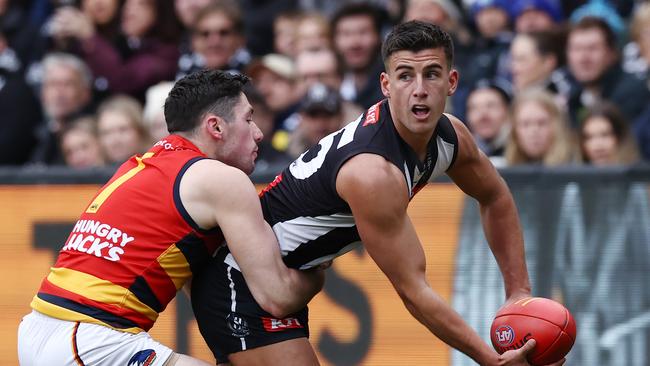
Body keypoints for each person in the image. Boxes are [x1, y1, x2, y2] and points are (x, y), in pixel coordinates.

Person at [191, 21, 566, 366]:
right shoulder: (372, 172)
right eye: (405, 76)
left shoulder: (452, 136)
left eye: (431, 74)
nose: (419, 90)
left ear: (452, 82)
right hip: (238, 282)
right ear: (386, 86)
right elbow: (413, 290)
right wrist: (490, 359)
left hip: (280, 280)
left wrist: (519, 292)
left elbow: (495, 196)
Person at [17, 70, 324, 366]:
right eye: (248, 118)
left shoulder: (143, 164)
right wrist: (318, 264)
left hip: (43, 328)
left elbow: (205, 293)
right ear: (216, 127)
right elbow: (278, 296)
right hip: (87, 336)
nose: (258, 133)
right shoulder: (220, 179)